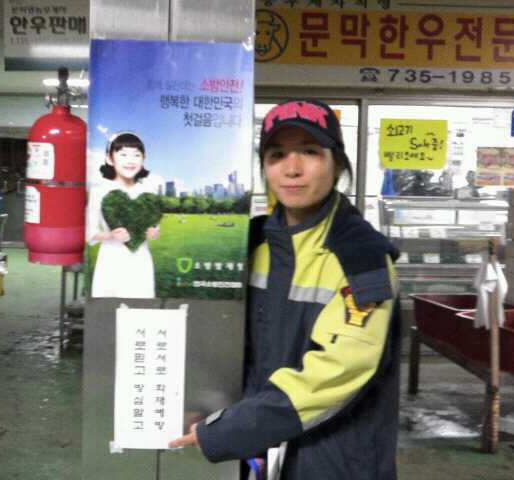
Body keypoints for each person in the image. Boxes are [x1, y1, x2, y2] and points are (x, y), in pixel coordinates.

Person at [169, 99, 401, 480]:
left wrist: (231, 430)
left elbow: (338, 372)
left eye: (309, 152)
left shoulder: (361, 258)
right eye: (277, 155)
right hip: (260, 456)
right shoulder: (251, 246)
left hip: (332, 463)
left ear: (337, 163)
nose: (292, 169)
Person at [87, 132, 159, 298]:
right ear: (110, 159)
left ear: (143, 159)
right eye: (123, 154)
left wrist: (154, 232)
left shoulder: (148, 192)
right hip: (110, 261)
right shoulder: (99, 191)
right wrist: (111, 235)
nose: (130, 160)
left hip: (141, 261)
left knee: (141, 307)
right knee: (108, 309)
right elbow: (90, 233)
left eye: (136, 155)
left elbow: (155, 226)